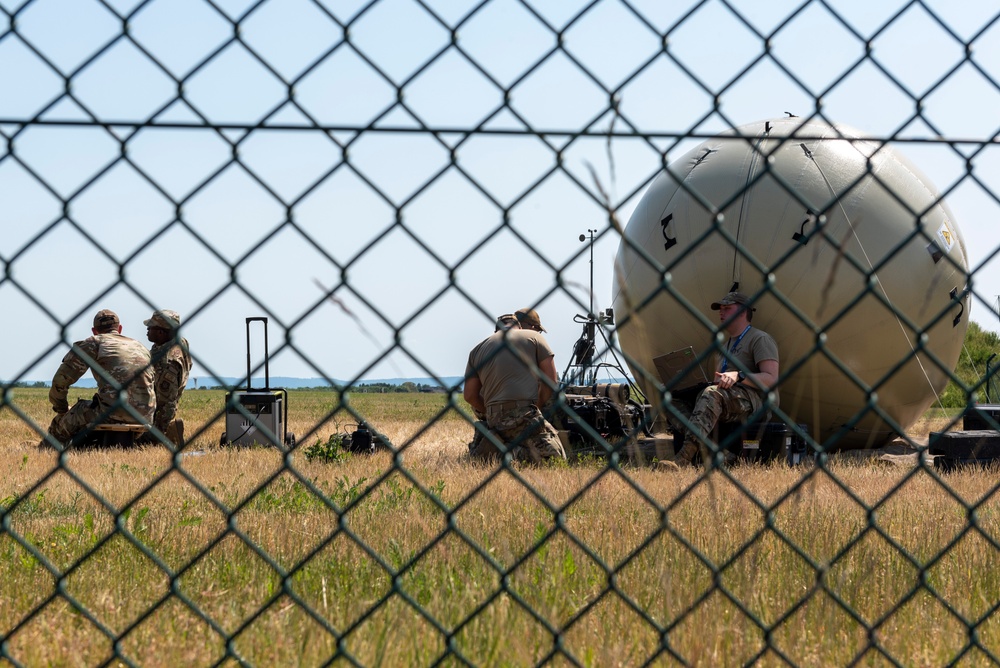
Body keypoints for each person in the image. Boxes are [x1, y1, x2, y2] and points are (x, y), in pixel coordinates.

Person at [660, 292, 779, 469]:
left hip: (755, 401)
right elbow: (717, 384)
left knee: (711, 394)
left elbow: (771, 378)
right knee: (669, 399)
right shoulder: (723, 348)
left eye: (727, 308)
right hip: (726, 397)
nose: (721, 313)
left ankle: (683, 459)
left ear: (742, 312)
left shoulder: (759, 339)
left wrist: (739, 375)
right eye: (721, 309)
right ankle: (719, 454)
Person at [464, 308, 567, 464]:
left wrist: (491, 412)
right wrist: (536, 406)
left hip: (494, 417)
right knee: (556, 458)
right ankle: (505, 454)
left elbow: (469, 395)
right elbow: (551, 381)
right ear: (520, 327)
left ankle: (492, 447)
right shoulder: (534, 338)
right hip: (525, 413)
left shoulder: (477, 350)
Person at [45, 309, 155, 446]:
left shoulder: (94, 343)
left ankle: (47, 448)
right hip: (145, 415)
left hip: (110, 413)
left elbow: (61, 381)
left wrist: (61, 409)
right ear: (119, 329)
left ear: (94, 331)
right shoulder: (140, 346)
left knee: (72, 415)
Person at [145, 309, 193, 444]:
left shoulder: (168, 361)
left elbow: (166, 402)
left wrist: (157, 432)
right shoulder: (179, 343)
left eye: (151, 327)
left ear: (161, 332)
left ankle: (168, 434)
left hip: (156, 417)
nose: (147, 330)